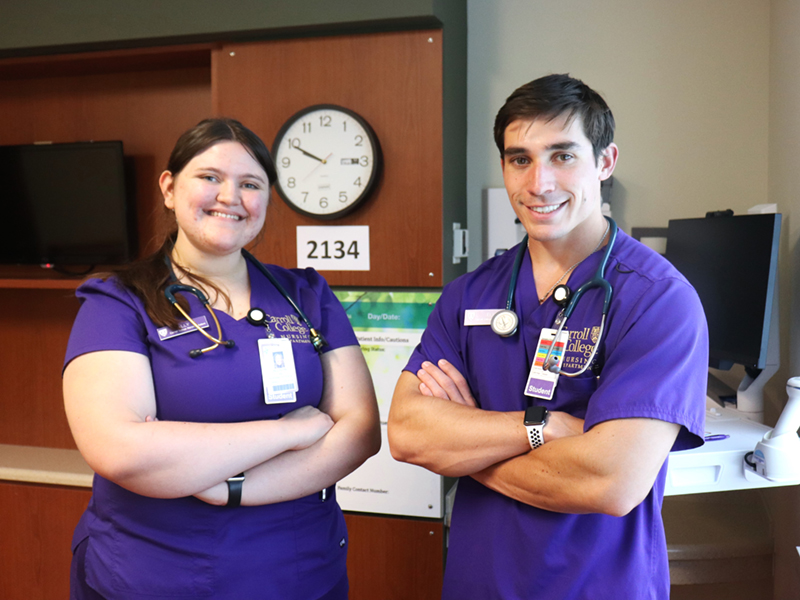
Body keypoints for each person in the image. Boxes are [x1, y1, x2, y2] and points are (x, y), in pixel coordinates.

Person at [388, 74, 708, 599]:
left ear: (605, 163)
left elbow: (610, 481)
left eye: (563, 156)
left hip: (597, 585)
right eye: (521, 159)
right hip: (479, 583)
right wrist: (545, 427)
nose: (539, 183)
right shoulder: (468, 295)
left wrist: (465, 445)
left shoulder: (657, 300)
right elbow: (407, 435)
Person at [63, 118, 381, 600]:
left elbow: (359, 432)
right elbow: (122, 451)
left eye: (250, 184)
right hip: (156, 576)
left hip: (300, 572)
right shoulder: (118, 301)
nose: (230, 196)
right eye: (210, 177)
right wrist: (289, 430)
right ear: (169, 188)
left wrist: (229, 486)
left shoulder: (305, 294)